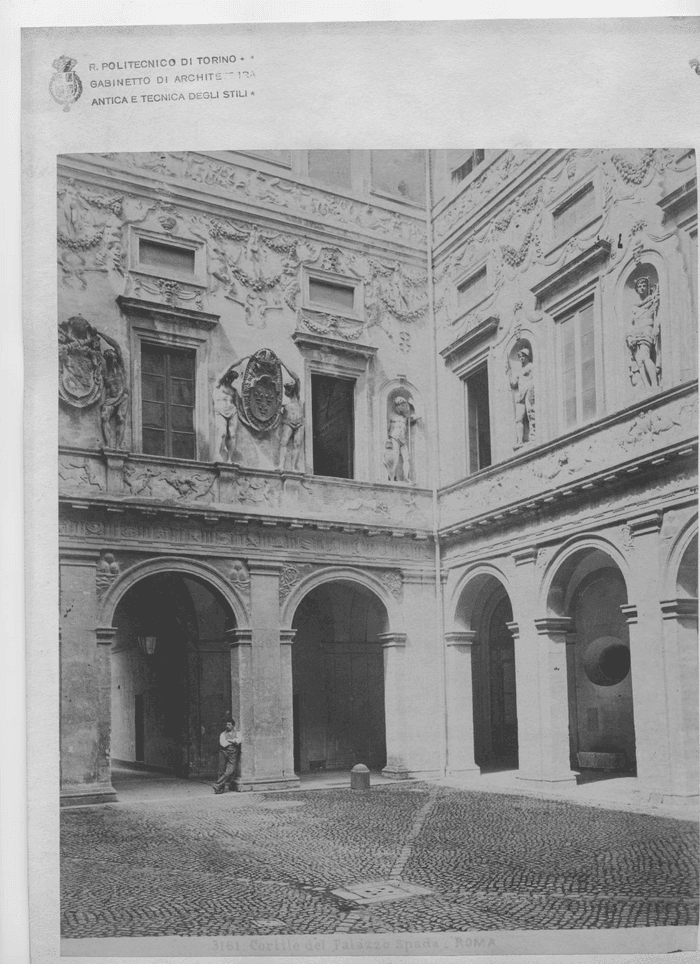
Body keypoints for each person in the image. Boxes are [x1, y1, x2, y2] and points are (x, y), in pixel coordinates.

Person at [627, 277, 660, 389]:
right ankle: (647, 387)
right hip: (636, 334)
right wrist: (630, 337)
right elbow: (631, 324)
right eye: (639, 286)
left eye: (644, 285)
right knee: (639, 362)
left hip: (647, 330)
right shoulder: (635, 308)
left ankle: (654, 384)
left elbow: (657, 315)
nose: (641, 288)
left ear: (647, 287)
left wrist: (656, 327)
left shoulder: (652, 300)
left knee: (645, 357)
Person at [507, 347, 535, 446]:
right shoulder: (519, 371)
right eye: (520, 356)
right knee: (519, 418)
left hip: (528, 392)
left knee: (531, 412)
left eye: (523, 356)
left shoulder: (531, 366)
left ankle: (533, 436)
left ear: (527, 356)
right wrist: (509, 373)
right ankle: (520, 440)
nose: (521, 358)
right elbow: (513, 384)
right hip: (521, 396)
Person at [278, 375, 305, 471]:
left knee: (297, 444)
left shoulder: (297, 398)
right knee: (284, 442)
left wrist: (284, 364)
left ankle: (293, 467)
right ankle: (281, 465)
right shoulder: (284, 403)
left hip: (300, 422)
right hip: (288, 422)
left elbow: (297, 379)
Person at [213, 719, 241, 794]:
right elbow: (223, 744)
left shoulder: (237, 733)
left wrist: (230, 740)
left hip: (233, 753)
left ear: (233, 726)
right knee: (221, 770)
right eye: (226, 725)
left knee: (230, 770)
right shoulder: (222, 734)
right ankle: (219, 789)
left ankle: (217, 784)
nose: (227, 726)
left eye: (229, 725)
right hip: (223, 752)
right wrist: (233, 741)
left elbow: (239, 740)